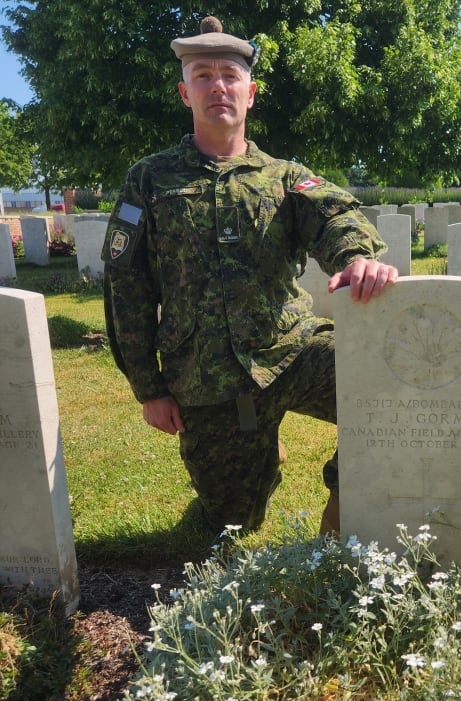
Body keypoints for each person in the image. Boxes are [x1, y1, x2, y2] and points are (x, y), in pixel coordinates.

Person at [101, 16, 398, 537]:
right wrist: (149, 387)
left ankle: (340, 523)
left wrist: (357, 256)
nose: (218, 85)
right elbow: (127, 285)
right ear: (184, 92)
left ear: (251, 92)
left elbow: (333, 216)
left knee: (389, 393)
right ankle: (259, 448)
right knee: (233, 521)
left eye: (230, 75)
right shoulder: (148, 178)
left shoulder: (283, 176)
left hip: (291, 350)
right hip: (208, 375)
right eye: (203, 75)